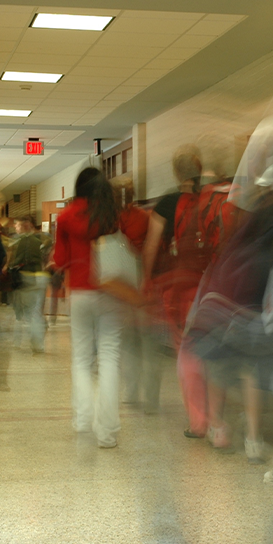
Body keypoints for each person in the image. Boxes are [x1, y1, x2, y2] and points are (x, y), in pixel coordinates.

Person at [54, 167, 137, 448]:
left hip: (79, 292)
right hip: (111, 290)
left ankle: (82, 419)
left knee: (81, 359)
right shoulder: (112, 216)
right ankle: (108, 430)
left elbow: (60, 258)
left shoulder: (65, 218)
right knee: (110, 357)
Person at [141, 145, 209, 439]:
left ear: (176, 172)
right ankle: (219, 420)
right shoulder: (211, 198)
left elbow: (152, 245)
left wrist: (146, 280)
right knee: (210, 350)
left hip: (177, 287)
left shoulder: (167, 203)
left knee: (188, 352)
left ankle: (199, 421)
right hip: (211, 285)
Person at [112, 176, 161, 413]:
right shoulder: (145, 217)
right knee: (149, 344)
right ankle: (151, 398)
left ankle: (130, 391)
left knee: (128, 343)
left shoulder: (109, 221)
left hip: (121, 289)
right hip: (144, 285)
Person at [10, 215, 49, 354]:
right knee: (35, 312)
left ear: (26, 225)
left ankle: (34, 343)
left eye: (18, 225)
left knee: (29, 313)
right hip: (41, 277)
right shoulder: (43, 238)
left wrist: (11, 267)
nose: (16, 227)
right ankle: (37, 343)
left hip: (27, 277)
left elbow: (20, 260)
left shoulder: (25, 240)